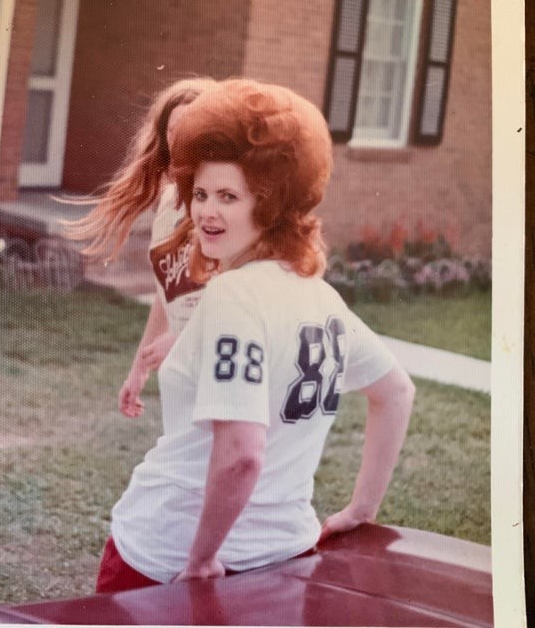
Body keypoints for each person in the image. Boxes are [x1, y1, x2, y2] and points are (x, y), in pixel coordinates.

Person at [96, 77, 415, 592]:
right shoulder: (319, 296)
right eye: (199, 194)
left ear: (270, 205)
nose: (205, 212)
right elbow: (396, 392)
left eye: (228, 196)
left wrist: (202, 558)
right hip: (283, 555)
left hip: (169, 556)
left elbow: (243, 453)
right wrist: (363, 506)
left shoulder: (233, 297)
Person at [68, 77, 215, 417]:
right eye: (174, 131)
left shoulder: (220, 210)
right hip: (184, 376)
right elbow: (169, 293)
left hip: (224, 368)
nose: (182, 141)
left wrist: (183, 338)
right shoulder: (168, 205)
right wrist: (139, 368)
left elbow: (239, 293)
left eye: (194, 130)